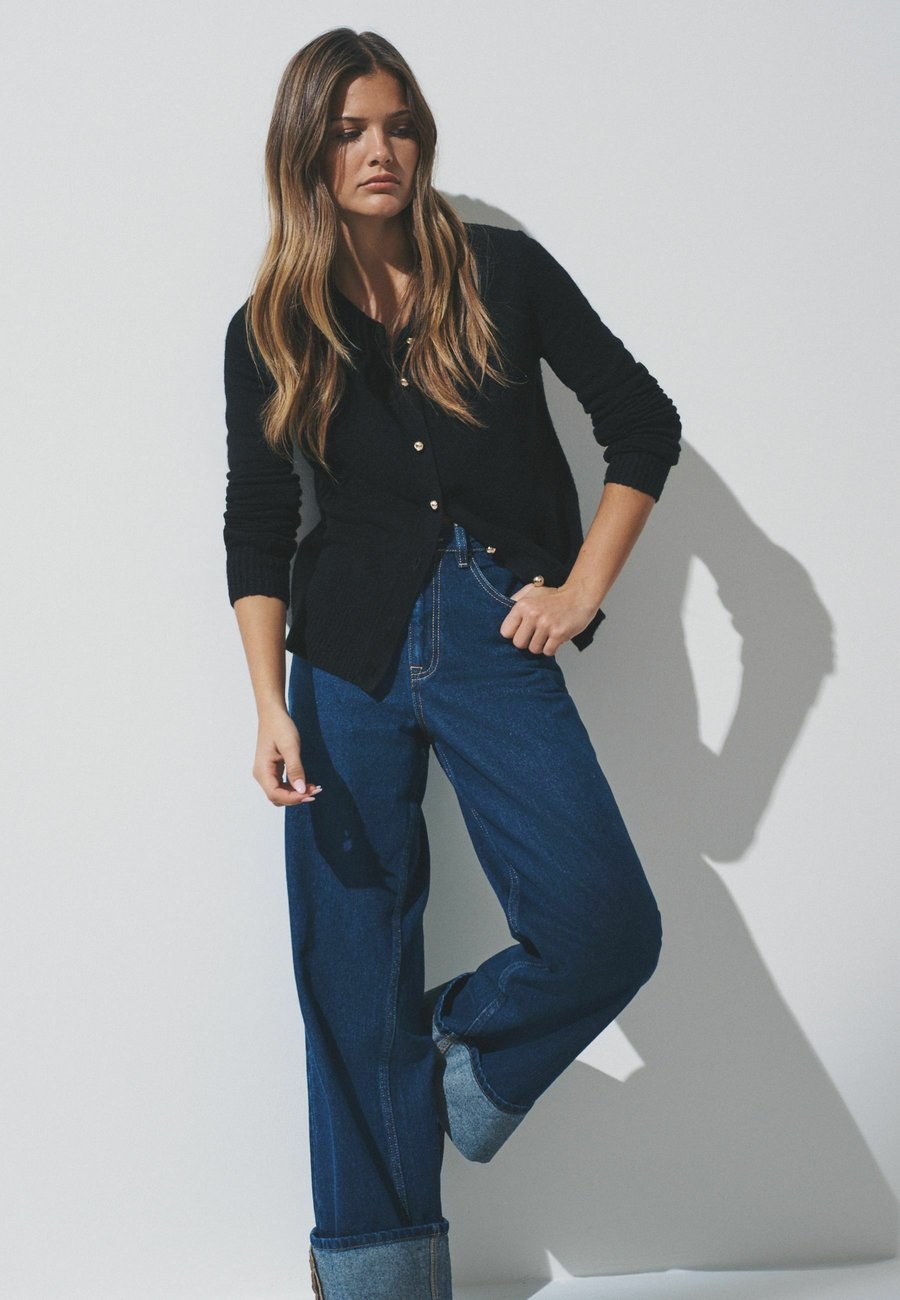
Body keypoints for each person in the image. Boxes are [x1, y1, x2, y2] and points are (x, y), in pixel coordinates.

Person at [222, 27, 681, 1300]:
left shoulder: (500, 271)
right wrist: (266, 705)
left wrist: (579, 590)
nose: (379, 151)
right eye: (349, 132)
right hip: (342, 663)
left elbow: (642, 423)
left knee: (603, 926)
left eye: (397, 125)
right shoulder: (268, 329)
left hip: (493, 629)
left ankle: (447, 1066)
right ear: (307, 153)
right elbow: (258, 527)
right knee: (349, 970)